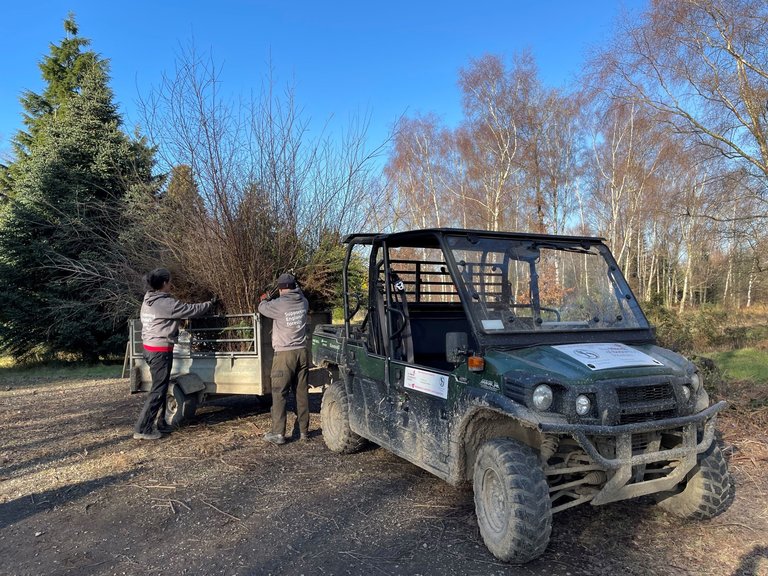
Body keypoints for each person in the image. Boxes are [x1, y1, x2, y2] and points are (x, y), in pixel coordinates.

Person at [133, 268, 215, 440]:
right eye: (169, 281)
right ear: (163, 283)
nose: (171, 284)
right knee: (158, 390)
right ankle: (143, 428)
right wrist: (209, 304)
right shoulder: (165, 304)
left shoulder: (149, 299)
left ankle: (161, 423)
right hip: (159, 351)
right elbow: (190, 310)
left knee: (161, 389)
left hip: (149, 348)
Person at [258, 272, 310, 445]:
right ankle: (303, 432)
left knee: (279, 393)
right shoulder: (303, 302)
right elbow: (300, 292)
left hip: (285, 355)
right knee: (301, 394)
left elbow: (261, 308)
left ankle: (278, 433)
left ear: (280, 289)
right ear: (294, 286)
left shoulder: (278, 304)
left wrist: (265, 297)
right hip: (302, 352)